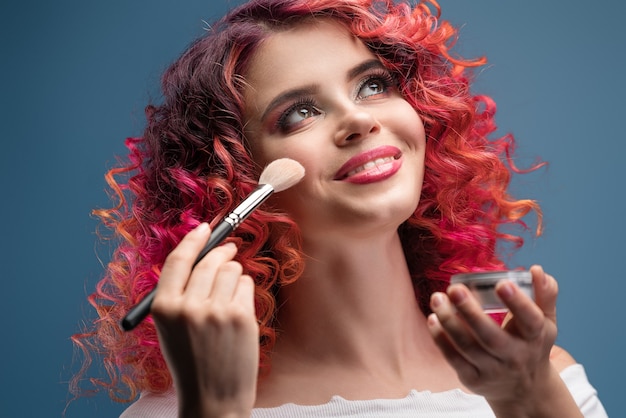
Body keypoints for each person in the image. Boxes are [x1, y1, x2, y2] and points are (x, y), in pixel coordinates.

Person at [72, 0, 607, 416]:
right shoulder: (182, 413)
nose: (358, 120)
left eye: (373, 86)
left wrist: (526, 398)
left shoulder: (540, 378)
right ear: (231, 181)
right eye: (300, 113)